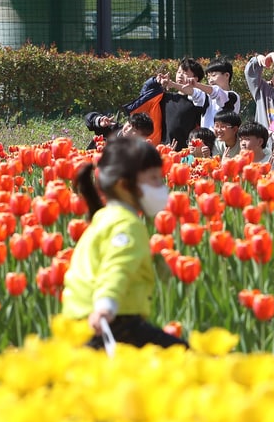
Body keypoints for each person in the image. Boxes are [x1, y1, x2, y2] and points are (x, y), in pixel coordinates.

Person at [65, 136, 187, 350]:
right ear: (124, 185)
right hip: (112, 321)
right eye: (154, 179)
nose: (162, 186)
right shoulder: (126, 225)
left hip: (79, 320)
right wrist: (106, 305)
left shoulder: (103, 218)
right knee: (181, 355)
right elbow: (117, 266)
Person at [199, 59, 241, 129]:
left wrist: (197, 85)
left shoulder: (232, 96)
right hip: (205, 138)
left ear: (227, 75)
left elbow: (217, 92)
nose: (210, 80)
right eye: (208, 77)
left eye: (213, 75)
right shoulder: (205, 97)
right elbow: (192, 92)